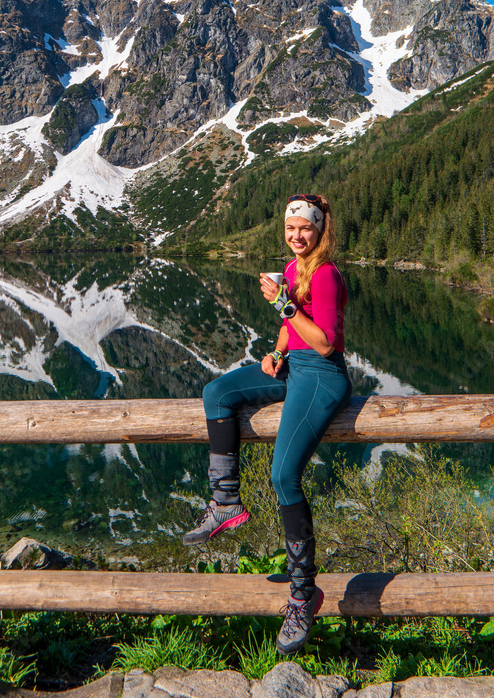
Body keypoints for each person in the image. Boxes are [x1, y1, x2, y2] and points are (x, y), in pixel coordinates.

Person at [183, 193, 351, 655]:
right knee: (217, 393)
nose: (297, 236)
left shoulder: (327, 274)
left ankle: (303, 595)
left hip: (321, 377)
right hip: (293, 366)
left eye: (306, 229)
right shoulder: (293, 270)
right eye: (290, 228)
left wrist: (284, 304)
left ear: (320, 232)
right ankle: (225, 501)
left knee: (283, 476)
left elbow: (325, 343)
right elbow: (292, 327)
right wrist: (276, 353)